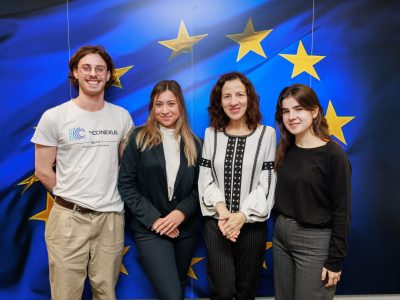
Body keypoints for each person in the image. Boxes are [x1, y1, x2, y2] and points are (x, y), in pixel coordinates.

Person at [31, 45, 133, 300]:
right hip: (68, 219)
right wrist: (73, 197)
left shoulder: (121, 117)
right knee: (65, 294)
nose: (93, 74)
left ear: (109, 75)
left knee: (106, 292)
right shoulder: (55, 117)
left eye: (100, 69)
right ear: (75, 73)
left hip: (110, 219)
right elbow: (43, 171)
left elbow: (129, 167)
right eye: (86, 68)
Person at [118, 80, 202, 300]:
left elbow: (200, 187)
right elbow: (126, 184)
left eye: (171, 104)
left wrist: (180, 214)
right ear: (152, 108)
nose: (165, 110)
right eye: (159, 104)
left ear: (180, 106)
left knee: (179, 285)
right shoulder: (138, 138)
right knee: (172, 295)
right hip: (150, 229)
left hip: (185, 229)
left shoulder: (196, 143)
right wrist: (156, 220)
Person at [198, 72, 276, 300]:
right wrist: (223, 213)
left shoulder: (267, 134)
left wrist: (241, 216)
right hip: (217, 223)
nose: (233, 102)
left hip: (251, 225)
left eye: (239, 95)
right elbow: (206, 178)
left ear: (249, 98)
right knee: (221, 291)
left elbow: (267, 184)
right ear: (219, 102)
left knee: (246, 290)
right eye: (227, 96)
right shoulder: (211, 134)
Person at [273, 83, 351, 300]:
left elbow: (342, 211)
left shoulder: (333, 155)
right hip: (281, 236)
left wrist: (335, 260)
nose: (291, 116)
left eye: (299, 109)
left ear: (315, 111)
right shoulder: (285, 149)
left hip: (315, 241)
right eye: (286, 111)